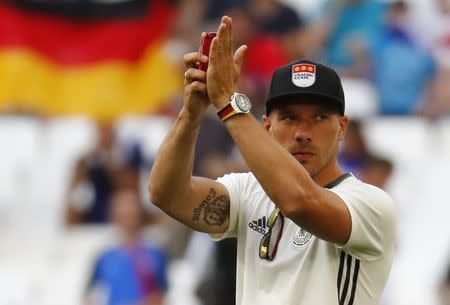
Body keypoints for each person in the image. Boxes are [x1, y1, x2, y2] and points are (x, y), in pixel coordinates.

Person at [149, 16, 396, 305]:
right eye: (290, 118)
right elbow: (166, 194)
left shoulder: (370, 205)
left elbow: (299, 200)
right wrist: (191, 114)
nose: (303, 133)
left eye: (318, 118)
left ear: (342, 127)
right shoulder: (249, 192)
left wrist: (229, 104)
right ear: (266, 127)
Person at [86, 188, 168, 305]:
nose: (128, 212)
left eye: (132, 206)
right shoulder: (104, 256)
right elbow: (89, 294)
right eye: (122, 207)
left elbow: (162, 293)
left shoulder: (155, 253)